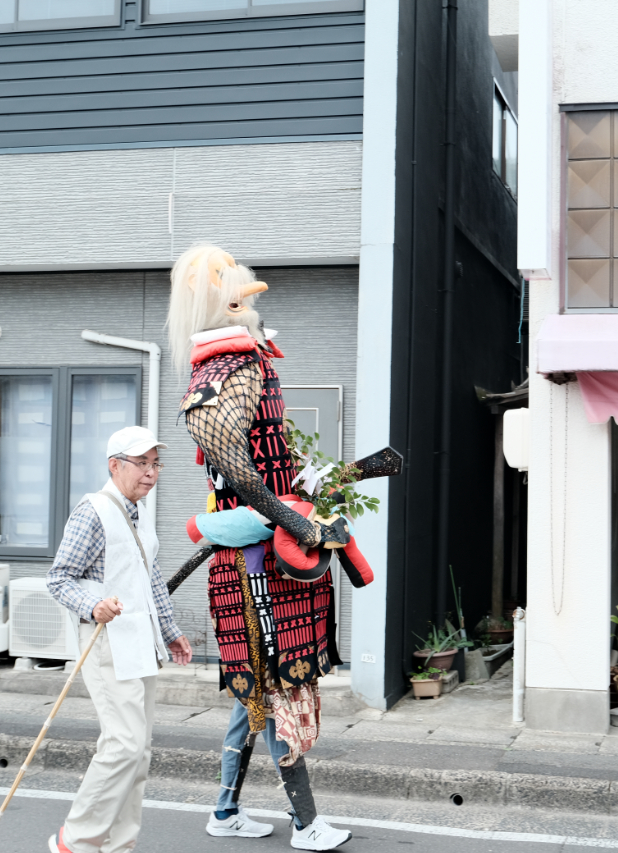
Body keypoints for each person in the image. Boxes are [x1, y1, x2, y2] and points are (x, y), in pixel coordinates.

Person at [170, 245, 363, 851]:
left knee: (257, 686)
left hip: (261, 547)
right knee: (276, 681)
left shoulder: (245, 362)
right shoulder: (227, 368)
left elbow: (265, 463)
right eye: (234, 289)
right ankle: (306, 823)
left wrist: (310, 486)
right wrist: (293, 520)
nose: (249, 298)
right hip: (255, 558)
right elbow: (238, 470)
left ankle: (225, 810)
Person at [46, 425, 194, 853]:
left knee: (139, 751)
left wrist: (171, 631)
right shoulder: (93, 510)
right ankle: (75, 840)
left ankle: (119, 844)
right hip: (105, 641)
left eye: (155, 464)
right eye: (141, 463)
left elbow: (150, 583)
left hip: (141, 641)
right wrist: (92, 605)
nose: (150, 473)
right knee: (124, 745)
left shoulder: (138, 513)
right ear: (115, 466)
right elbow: (60, 578)